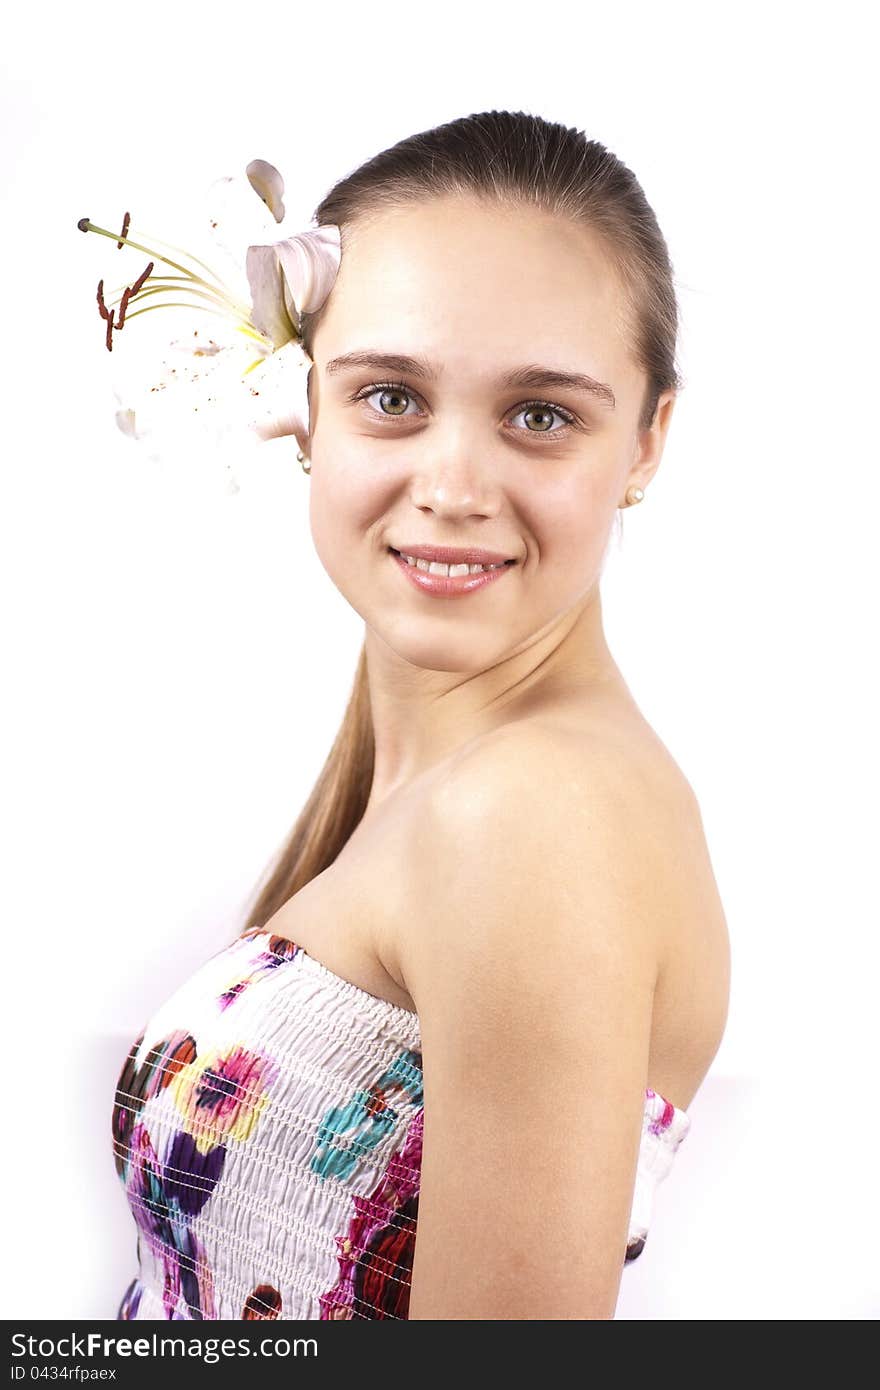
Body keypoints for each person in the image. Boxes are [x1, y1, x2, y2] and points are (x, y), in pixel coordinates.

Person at [111, 109, 730, 1322]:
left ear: (647, 439)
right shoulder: (451, 777)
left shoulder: (532, 817)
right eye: (391, 396)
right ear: (306, 408)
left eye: (540, 414)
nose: (448, 487)